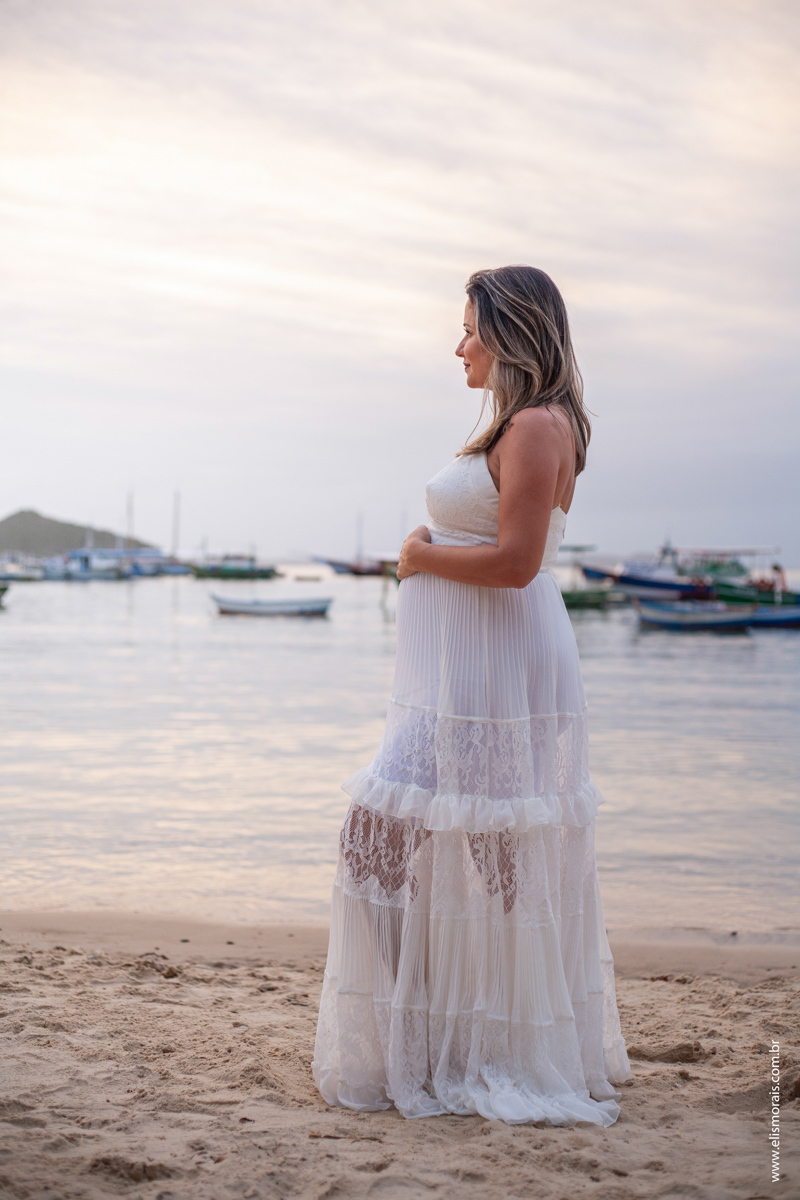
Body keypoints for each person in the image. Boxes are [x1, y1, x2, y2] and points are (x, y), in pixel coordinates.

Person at [312, 265, 630, 1126]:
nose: (458, 345)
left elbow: (517, 563)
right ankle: (453, 1027)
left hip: (494, 668)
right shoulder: (518, 422)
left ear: (510, 330)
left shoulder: (533, 425)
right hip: (464, 670)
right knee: (464, 851)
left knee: (440, 846)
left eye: (469, 330)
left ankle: (475, 1035)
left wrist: (415, 557)